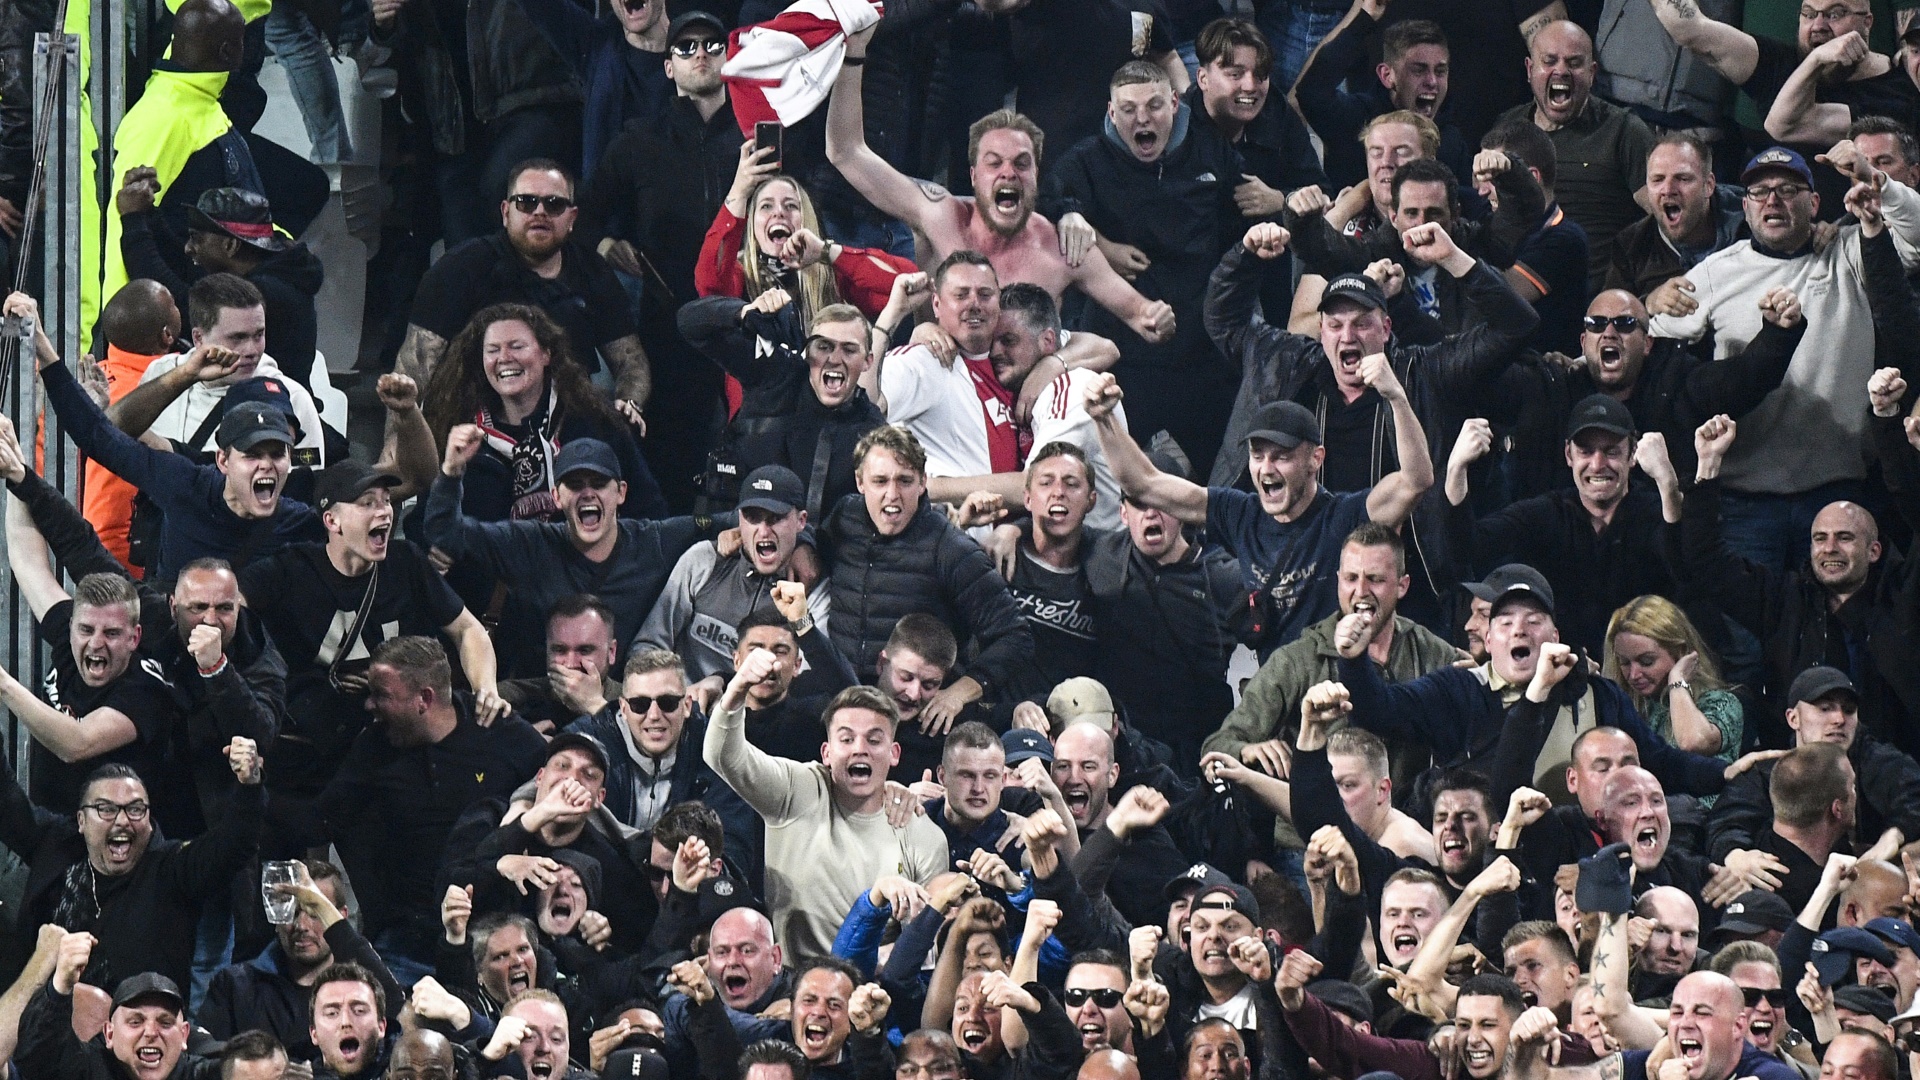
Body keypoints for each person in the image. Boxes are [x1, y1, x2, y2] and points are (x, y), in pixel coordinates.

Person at [1200, 223, 1520, 613]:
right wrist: (1245, 256)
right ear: (1321, 332)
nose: (1347, 336)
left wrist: (1454, 259)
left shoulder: (1424, 373)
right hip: (1314, 582)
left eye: (1361, 323)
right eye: (1335, 325)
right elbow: (1225, 322)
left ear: (1386, 329)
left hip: (1410, 588)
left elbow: (1515, 325)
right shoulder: (1294, 367)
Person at [1085, 318, 1435, 658]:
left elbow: (1416, 480)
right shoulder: (1239, 513)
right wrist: (1104, 419)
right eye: (1257, 455)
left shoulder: (1344, 517)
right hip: (1279, 694)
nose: (1266, 468)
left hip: (1340, 682)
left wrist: (1396, 398)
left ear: (1315, 459)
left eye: (1281, 457)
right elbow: (1143, 485)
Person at [3, 425, 283, 835]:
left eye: (223, 608)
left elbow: (76, 743)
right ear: (173, 607)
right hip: (57, 831)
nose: (209, 619)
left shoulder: (153, 686)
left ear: (133, 639)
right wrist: (17, 475)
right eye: (197, 607)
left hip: (177, 829)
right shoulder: (93, 627)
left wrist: (217, 668)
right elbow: (45, 557)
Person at [824, 26, 1177, 349]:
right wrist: (853, 53)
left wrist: (1154, 320)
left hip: (1020, 404)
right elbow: (846, 152)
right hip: (942, 390)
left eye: (1021, 163)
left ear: (1037, 175)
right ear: (974, 176)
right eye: (995, 163)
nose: (1008, 173)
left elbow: (1144, 318)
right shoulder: (939, 215)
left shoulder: (1063, 249)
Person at [1651, 148, 1920, 571]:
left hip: (1838, 492)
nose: (1772, 200)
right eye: (1759, 191)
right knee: (1746, 634)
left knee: (1839, 627)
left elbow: (1916, 233)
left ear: (1814, 204)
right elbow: (1648, 347)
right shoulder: (1713, 273)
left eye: (1788, 189)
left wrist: (1879, 184)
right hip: (1744, 498)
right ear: (1744, 206)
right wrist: (1648, 302)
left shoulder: (1852, 250)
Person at [1335, 563, 1731, 805]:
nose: (1519, 631)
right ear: (1488, 641)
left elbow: (1658, 762)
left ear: (1555, 636)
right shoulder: (1456, 690)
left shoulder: (1594, 694)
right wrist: (1353, 660)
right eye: (1505, 623)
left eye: (1533, 620)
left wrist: (1726, 775)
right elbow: (1379, 711)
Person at [14, 289, 326, 582]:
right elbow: (97, 435)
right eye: (253, 453)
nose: (267, 465)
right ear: (223, 459)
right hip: (170, 634)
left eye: (277, 453)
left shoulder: (301, 525)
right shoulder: (185, 484)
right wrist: (42, 346)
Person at [1043, 59, 1253, 474]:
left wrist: (1276, 199)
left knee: (1225, 480)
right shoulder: (1084, 161)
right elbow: (1048, 206)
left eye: (1154, 106)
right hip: (1123, 357)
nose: (1143, 118)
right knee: (1111, 479)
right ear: (1111, 113)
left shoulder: (1211, 151)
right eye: (1128, 109)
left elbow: (1247, 213)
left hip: (1201, 351)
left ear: (1175, 103)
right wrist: (1093, 237)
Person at [1203, 521, 1460, 856]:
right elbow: (1217, 745)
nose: (1361, 591)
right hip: (1307, 845)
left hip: (1399, 843)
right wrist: (1247, 750)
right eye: (1352, 578)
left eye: (1376, 579)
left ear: (1402, 585)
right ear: (1338, 581)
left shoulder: (1434, 654)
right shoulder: (1299, 658)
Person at [575, 10, 742, 512]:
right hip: (667, 323)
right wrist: (605, 246)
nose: (700, 55)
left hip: (746, 319)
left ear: (729, 57)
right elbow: (581, 218)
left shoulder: (758, 138)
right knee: (668, 471)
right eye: (686, 47)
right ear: (667, 66)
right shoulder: (639, 140)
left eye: (712, 44)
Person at [1685, 413, 1920, 754]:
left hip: (1897, 768)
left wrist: (1889, 427)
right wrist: (1707, 467)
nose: (1830, 549)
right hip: (1803, 770)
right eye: (1820, 538)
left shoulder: (1903, 595)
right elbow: (1707, 564)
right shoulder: (1784, 600)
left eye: (1844, 538)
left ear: (1874, 550)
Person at [318, 636, 548, 982]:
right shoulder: (373, 747)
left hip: (495, 941)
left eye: (382, 695)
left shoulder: (500, 733)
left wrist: (525, 807)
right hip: (405, 944)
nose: (370, 705)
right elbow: (322, 818)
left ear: (424, 698)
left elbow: (562, 778)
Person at [704, 647, 948, 958]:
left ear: (894, 753)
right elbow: (721, 755)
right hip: (791, 985)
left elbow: (922, 944)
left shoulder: (921, 834)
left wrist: (859, 971)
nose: (860, 749)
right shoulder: (796, 789)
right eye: (846, 739)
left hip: (874, 988)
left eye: (874, 740)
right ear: (826, 753)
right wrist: (738, 687)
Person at [425, 428, 713, 678]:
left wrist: (735, 538)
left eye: (599, 483)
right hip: (542, 698)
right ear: (556, 497)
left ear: (621, 493)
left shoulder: (654, 541)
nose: (587, 494)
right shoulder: (529, 544)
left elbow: (736, 519)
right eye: (575, 485)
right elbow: (444, 533)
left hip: (626, 706)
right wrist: (451, 472)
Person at [0, 739, 262, 995]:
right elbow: (6, 800)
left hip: (137, 1031)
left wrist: (249, 787)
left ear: (149, 819)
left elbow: (234, 844)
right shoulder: (57, 844)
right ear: (81, 820)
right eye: (106, 809)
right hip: (43, 1022)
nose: (123, 821)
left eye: (135, 809)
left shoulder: (172, 870)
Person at [1441, 396, 1693, 657]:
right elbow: (1467, 548)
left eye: (1611, 451)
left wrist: (1667, 482)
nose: (1597, 464)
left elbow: (1683, 567)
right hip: (1565, 674)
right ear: (1568, 454)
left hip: (1643, 670)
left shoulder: (1652, 511)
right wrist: (1456, 469)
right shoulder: (1548, 513)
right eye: (1586, 451)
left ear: (1632, 455)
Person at [397, 160, 652, 410]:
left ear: (572, 217)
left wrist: (629, 404)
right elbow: (412, 374)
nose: (540, 212)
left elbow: (631, 361)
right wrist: (399, 446)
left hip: (570, 428)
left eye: (554, 204)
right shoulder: (457, 270)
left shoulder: (594, 272)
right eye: (527, 202)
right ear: (506, 212)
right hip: (475, 430)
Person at [819, 424, 1032, 701]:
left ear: (922, 483)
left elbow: (1016, 636)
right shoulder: (844, 518)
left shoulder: (951, 548)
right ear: (860, 482)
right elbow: (812, 550)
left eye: (905, 481)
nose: (892, 494)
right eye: (880, 481)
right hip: (843, 705)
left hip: (915, 715)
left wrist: (959, 692)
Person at [418, 302, 665, 527]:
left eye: (517, 346)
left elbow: (649, 510)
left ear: (546, 354)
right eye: (492, 350)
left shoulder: (596, 423)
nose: (504, 358)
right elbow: (424, 523)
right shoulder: (461, 437)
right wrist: (438, 550)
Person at [1552, 286, 1804, 481]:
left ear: (1648, 343)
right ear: (1584, 342)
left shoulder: (1676, 377)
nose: (1609, 332)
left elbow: (1744, 379)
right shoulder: (1561, 388)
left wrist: (1778, 334)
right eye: (1597, 324)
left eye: (1625, 324)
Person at [100, 0, 257, 306]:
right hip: (185, 315)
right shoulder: (162, 118)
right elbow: (124, 225)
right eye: (243, 41)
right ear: (228, 52)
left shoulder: (201, 98)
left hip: (222, 293)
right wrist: (128, 336)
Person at [675, 293, 888, 517]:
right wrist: (744, 312)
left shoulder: (872, 430)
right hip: (731, 532)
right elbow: (689, 322)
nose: (834, 358)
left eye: (849, 349)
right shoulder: (772, 374)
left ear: (868, 361)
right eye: (824, 346)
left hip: (816, 547)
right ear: (807, 351)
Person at [107, 275, 339, 470]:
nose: (251, 350)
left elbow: (305, 475)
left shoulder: (291, 396)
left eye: (258, 335)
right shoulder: (163, 374)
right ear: (198, 338)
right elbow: (121, 441)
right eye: (237, 338)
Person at [1706, 667, 1920, 873]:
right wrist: (1736, 856)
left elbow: (1913, 794)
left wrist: (1894, 836)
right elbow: (1727, 823)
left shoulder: (1874, 759)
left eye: (1849, 710)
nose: (1839, 719)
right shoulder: (1767, 771)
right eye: (1825, 708)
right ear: (1793, 718)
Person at [637, 465, 833, 686]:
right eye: (753, 517)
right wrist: (674, 698)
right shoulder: (704, 561)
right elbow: (647, 646)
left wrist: (727, 689)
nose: (764, 530)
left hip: (763, 716)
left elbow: (814, 680)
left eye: (775, 518)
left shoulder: (812, 592)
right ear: (738, 519)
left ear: (801, 521)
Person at [1495, 21, 1656, 288]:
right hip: (1521, 299)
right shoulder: (1506, 130)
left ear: (1592, 73)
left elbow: (1664, 213)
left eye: (1574, 63)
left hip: (1599, 304)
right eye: (1549, 61)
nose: (1561, 71)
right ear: (1529, 69)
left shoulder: (1624, 131)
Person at [116, 184, 323, 389]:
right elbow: (185, 265)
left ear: (230, 246)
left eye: (197, 238)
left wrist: (132, 220)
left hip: (271, 412)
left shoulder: (261, 293)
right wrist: (149, 212)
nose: (189, 247)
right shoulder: (275, 270)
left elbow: (177, 305)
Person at [564, 649, 763, 861]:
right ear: (623, 707)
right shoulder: (586, 743)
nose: (654, 715)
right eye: (640, 705)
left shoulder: (717, 750)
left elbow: (732, 847)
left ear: (687, 705)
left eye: (667, 703)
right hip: (608, 877)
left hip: (688, 879)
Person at [200, 861, 402, 1062]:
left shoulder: (360, 987)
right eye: (292, 912)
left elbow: (394, 1005)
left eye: (314, 913)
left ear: (340, 916)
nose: (302, 926)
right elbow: (207, 1059)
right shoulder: (234, 986)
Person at [1290, 14, 1474, 197]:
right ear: (1387, 75)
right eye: (1419, 70)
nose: (1432, 81)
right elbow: (1311, 91)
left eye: (1440, 71)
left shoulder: (1452, 140)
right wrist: (1363, 21)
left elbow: (1467, 202)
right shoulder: (1356, 117)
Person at [84, 280, 183, 575]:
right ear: (166, 335)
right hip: (118, 560)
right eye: (174, 306)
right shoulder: (145, 398)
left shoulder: (95, 377)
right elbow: (113, 506)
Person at [17, 941, 213, 1080]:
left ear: (184, 1034)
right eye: (135, 1021)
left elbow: (237, 1065)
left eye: (165, 1022)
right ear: (109, 1034)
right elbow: (39, 1058)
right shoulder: (90, 1069)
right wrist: (61, 985)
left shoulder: (199, 1073)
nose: (151, 1032)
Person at [1603, 596, 1745, 765]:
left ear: (1680, 651)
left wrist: (1677, 681)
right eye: (1625, 662)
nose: (1633, 674)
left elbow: (1692, 742)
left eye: (1646, 661)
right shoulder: (1631, 709)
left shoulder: (1721, 703)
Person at [1605, 135, 1747, 301]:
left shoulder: (1749, 223)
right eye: (1658, 180)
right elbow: (1609, 316)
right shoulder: (1632, 245)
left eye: (1682, 179)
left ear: (1708, 185)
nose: (1668, 189)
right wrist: (1648, 303)